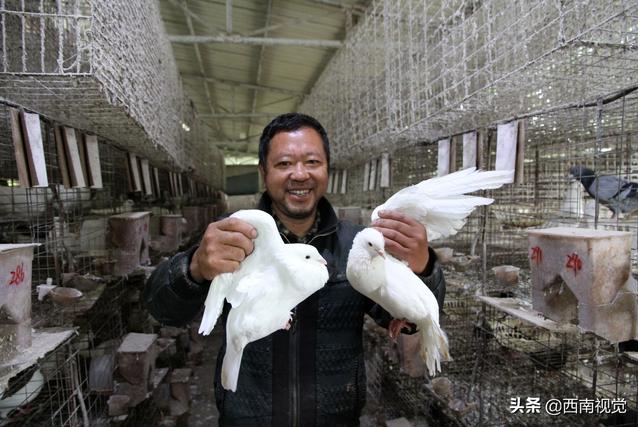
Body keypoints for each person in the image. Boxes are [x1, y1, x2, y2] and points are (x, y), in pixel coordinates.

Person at [144, 113, 446, 426]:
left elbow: (409, 320)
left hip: (334, 418)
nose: (299, 174)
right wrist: (193, 268)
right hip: (249, 417)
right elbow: (162, 311)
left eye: (312, 162)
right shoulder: (232, 239)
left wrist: (422, 268)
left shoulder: (357, 247)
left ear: (327, 168)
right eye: (284, 163)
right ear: (264, 172)